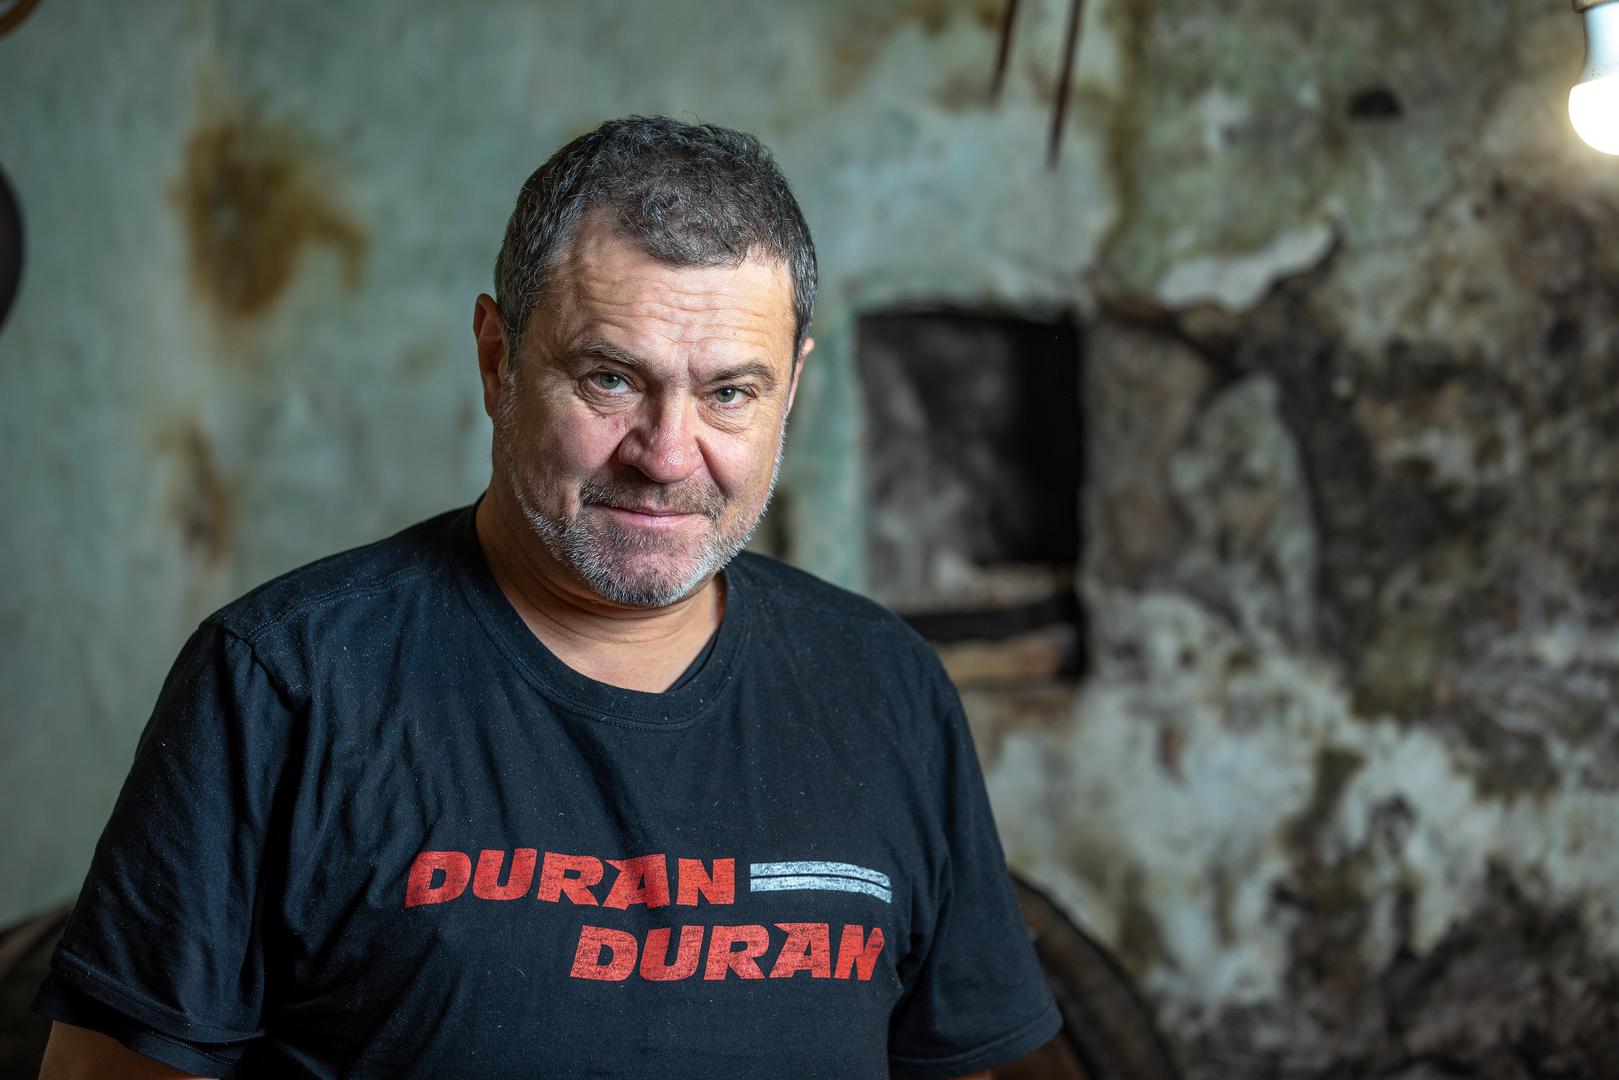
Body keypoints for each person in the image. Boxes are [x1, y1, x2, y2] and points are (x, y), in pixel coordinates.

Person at [34, 116, 1060, 1079]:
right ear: (498, 360)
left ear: (789, 387)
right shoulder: (284, 683)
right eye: (610, 379)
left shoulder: (885, 689)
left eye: (728, 393)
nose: (667, 456)